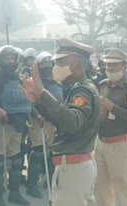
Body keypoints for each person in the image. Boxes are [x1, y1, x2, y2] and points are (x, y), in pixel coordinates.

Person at [22, 38, 100, 206]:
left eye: (60, 62)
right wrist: (39, 102)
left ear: (78, 65)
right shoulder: (75, 87)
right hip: (76, 164)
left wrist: (43, 92)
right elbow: (61, 119)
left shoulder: (82, 90)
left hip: (74, 167)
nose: (55, 66)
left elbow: (71, 123)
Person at [94, 48, 127, 206]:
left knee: (122, 185)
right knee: (100, 186)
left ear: (124, 67)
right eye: (107, 65)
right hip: (100, 142)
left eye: (114, 65)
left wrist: (113, 108)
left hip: (119, 143)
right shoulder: (102, 85)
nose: (109, 69)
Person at [0, 45, 31, 206]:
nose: (10, 61)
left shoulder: (21, 79)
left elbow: (28, 99)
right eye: (7, 58)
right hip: (1, 124)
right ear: (0, 60)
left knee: (16, 160)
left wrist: (35, 115)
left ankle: (14, 193)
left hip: (19, 123)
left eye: (13, 58)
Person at [26, 52, 62, 199]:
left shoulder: (58, 82)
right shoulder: (33, 82)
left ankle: (50, 180)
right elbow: (28, 102)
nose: (47, 68)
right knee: (38, 154)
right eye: (44, 65)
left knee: (53, 153)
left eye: (49, 65)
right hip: (38, 122)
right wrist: (37, 115)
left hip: (55, 122)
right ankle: (31, 185)